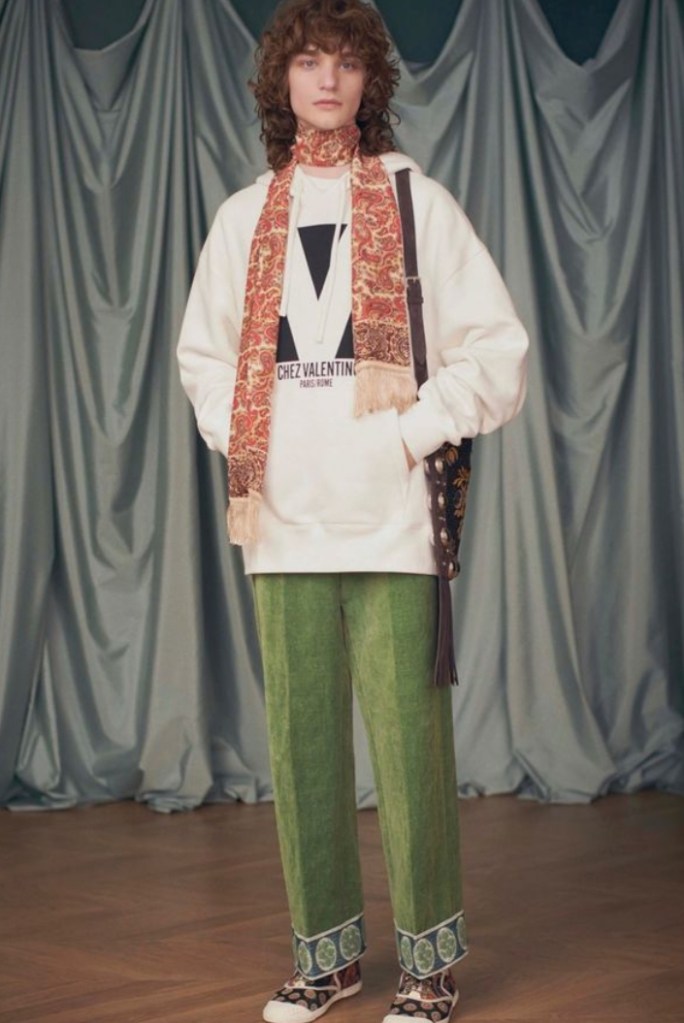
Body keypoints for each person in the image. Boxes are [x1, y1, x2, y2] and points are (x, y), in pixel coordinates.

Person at [177, 1, 528, 1020]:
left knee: (412, 745)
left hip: (393, 518)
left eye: (344, 62)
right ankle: (326, 959)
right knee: (301, 746)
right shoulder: (245, 215)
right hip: (281, 520)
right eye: (307, 62)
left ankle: (428, 967)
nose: (326, 79)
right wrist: (251, 439)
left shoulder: (419, 201)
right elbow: (203, 359)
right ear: (280, 82)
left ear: (370, 80)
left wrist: (411, 433)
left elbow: (497, 352)